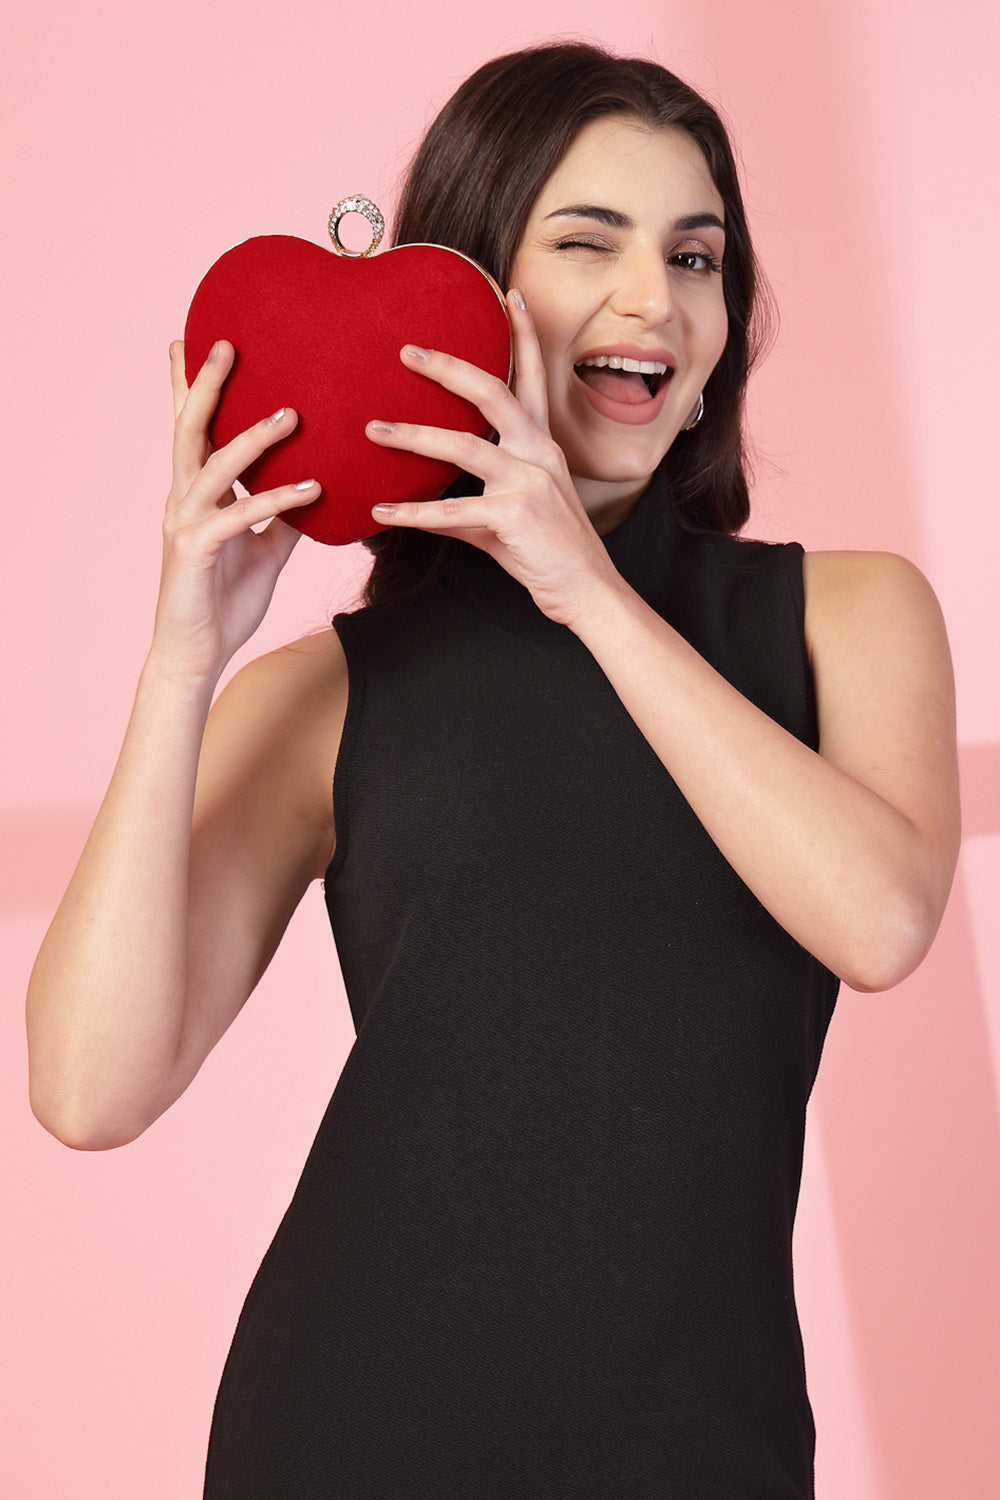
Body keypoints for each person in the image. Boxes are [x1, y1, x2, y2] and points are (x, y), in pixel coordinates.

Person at [26, 41, 959, 1499]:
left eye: (696, 255)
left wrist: (586, 589)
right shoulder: (333, 693)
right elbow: (89, 1088)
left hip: (701, 1452)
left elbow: (884, 917)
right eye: (588, 243)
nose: (655, 300)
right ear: (467, 294)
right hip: (343, 1439)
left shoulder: (849, 613)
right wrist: (181, 659)